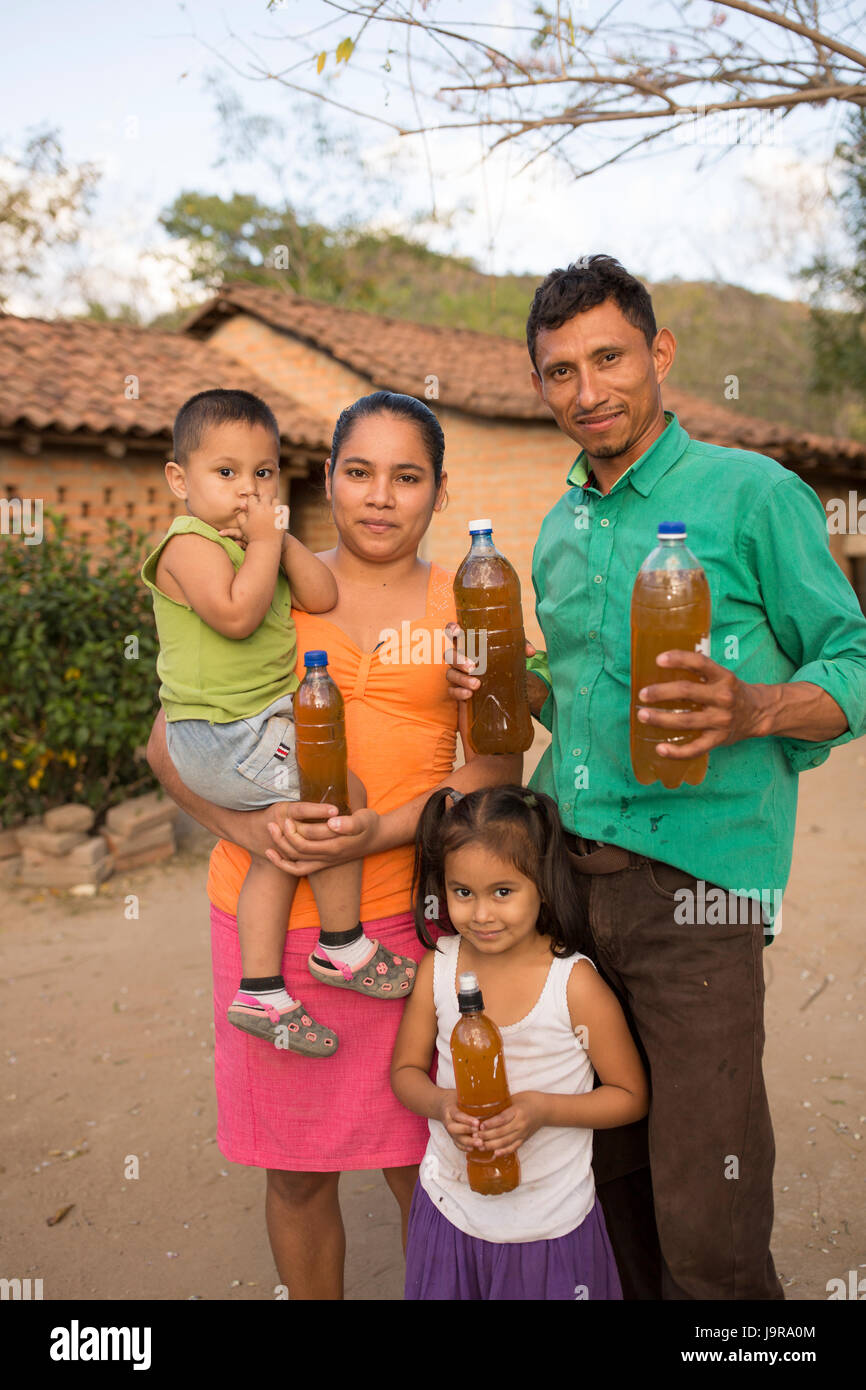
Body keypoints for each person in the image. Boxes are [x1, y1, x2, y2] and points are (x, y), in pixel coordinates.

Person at [446, 254, 866, 1301]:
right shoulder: (556, 532)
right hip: (565, 884)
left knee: (708, 1211)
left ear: (658, 353)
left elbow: (851, 658)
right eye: (557, 372)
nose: (586, 392)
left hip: (697, 888)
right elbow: (583, 685)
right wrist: (510, 678)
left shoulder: (751, 493)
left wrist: (754, 705)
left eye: (607, 358)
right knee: (600, 1176)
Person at [146, 390, 522, 1299]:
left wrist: (378, 830)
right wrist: (255, 829)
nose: (380, 497)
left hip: (406, 928)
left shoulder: (467, 598)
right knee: (297, 1167)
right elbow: (167, 742)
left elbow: (500, 764)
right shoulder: (263, 580)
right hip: (265, 927)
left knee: (418, 1163)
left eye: (407, 477)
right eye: (358, 473)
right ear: (324, 481)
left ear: (439, 492)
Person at [142, 388, 413, 1061]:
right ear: (181, 481)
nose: (246, 491)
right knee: (339, 791)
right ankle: (343, 945)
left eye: (262, 474)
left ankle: (260, 991)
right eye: (225, 473)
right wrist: (262, 545)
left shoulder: (260, 543)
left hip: (251, 728)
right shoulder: (188, 544)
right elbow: (235, 615)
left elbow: (321, 594)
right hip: (220, 734)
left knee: (284, 842)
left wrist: (279, 539)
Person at [391, 784, 648, 1300]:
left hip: (549, 1222)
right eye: (464, 892)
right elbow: (405, 1073)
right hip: (451, 1210)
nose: (481, 914)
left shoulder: (573, 985)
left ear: (544, 887)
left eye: (502, 892)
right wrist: (441, 1104)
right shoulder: (438, 969)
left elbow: (630, 1096)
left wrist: (540, 1110)